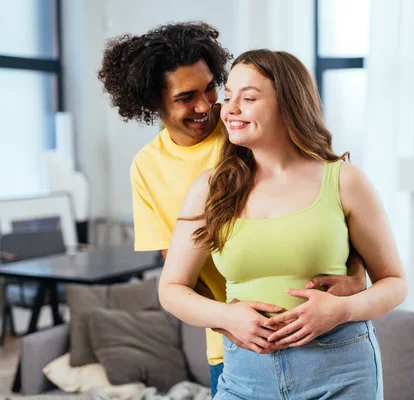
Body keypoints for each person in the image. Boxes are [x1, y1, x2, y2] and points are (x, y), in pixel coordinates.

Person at [97, 22, 368, 397]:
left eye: (211, 88)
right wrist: (231, 321)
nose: (207, 105)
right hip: (237, 343)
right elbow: (175, 269)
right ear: (152, 102)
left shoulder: (246, 121)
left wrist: (356, 277)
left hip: (321, 336)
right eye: (185, 97)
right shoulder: (147, 167)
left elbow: (329, 212)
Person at [159, 49, 408, 399]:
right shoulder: (210, 189)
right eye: (228, 97)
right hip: (245, 377)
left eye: (248, 98)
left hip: (340, 372)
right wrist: (227, 318)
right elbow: (171, 288)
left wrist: (343, 309)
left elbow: (395, 283)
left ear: (288, 104)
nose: (228, 109)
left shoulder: (344, 182)